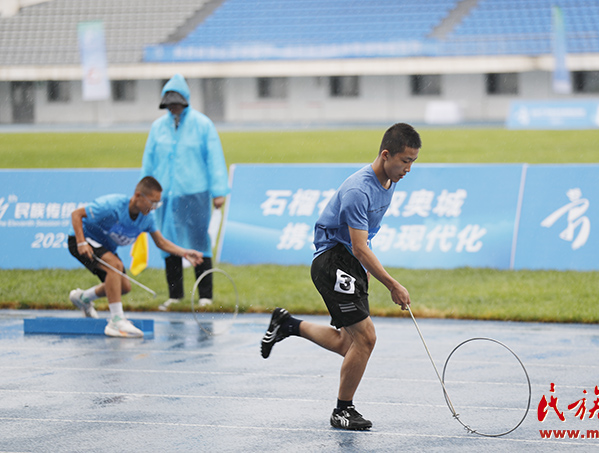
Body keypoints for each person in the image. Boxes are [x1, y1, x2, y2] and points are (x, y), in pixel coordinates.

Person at [260, 123, 421, 430]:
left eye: (413, 161)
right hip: (332, 261)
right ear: (386, 155)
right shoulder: (358, 191)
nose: (409, 168)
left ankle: (287, 324)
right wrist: (393, 285)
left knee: (347, 344)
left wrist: (365, 273)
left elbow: (364, 239)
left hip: (349, 262)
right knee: (366, 338)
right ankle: (342, 411)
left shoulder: (389, 181)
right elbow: (359, 247)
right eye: (405, 160)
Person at [68, 176, 203, 338]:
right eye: (152, 202)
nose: (154, 207)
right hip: (83, 241)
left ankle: (82, 298)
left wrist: (185, 253)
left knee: (124, 287)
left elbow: (160, 242)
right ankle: (117, 321)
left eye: (157, 204)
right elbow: (76, 214)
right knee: (115, 266)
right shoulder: (112, 205)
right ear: (138, 196)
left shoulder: (146, 218)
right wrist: (81, 242)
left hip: (105, 248)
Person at [141, 73, 229, 312]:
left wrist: (218, 191)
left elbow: (214, 159)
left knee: (199, 242)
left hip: (195, 194)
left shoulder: (202, 125)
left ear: (186, 101)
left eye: (177, 103)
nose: (173, 108)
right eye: (169, 104)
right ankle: (175, 295)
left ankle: (205, 295)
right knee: (168, 243)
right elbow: (148, 161)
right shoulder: (158, 127)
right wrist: (145, 192)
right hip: (164, 196)